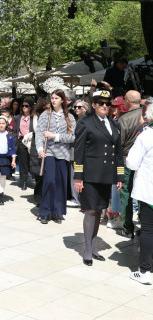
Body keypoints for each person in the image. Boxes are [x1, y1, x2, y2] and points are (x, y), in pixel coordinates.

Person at [74, 90, 124, 266]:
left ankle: (94, 246)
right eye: (101, 103)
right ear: (94, 105)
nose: (105, 106)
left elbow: (118, 152)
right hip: (90, 174)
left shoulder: (113, 123)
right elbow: (79, 150)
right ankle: (87, 249)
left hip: (106, 174)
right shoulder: (85, 122)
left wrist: (119, 175)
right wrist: (78, 177)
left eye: (107, 103)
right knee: (90, 210)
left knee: (98, 210)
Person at [36, 89, 75, 224]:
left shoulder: (69, 117)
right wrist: (40, 149)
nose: (53, 100)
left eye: (56, 98)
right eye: (52, 98)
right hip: (49, 152)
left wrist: (55, 136)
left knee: (60, 183)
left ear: (63, 100)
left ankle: (58, 211)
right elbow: (39, 133)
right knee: (49, 181)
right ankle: (45, 211)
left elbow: (72, 137)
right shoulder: (45, 115)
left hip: (64, 153)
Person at [125, 102, 153, 284]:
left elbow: (132, 163)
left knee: (148, 230)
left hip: (149, 190)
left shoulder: (146, 136)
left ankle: (145, 271)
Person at [118, 90, 143, 239]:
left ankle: (128, 228)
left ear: (127, 101)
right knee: (143, 194)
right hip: (144, 161)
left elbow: (119, 144)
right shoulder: (146, 115)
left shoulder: (124, 119)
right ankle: (145, 225)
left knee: (126, 193)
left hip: (127, 160)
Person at [13, 99, 34, 191]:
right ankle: (24, 181)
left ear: (30, 107)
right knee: (23, 162)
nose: (24, 107)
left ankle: (33, 178)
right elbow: (15, 130)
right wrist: (15, 140)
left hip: (31, 140)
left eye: (26, 106)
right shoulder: (18, 117)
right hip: (21, 141)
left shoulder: (34, 118)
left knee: (32, 160)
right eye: (23, 106)